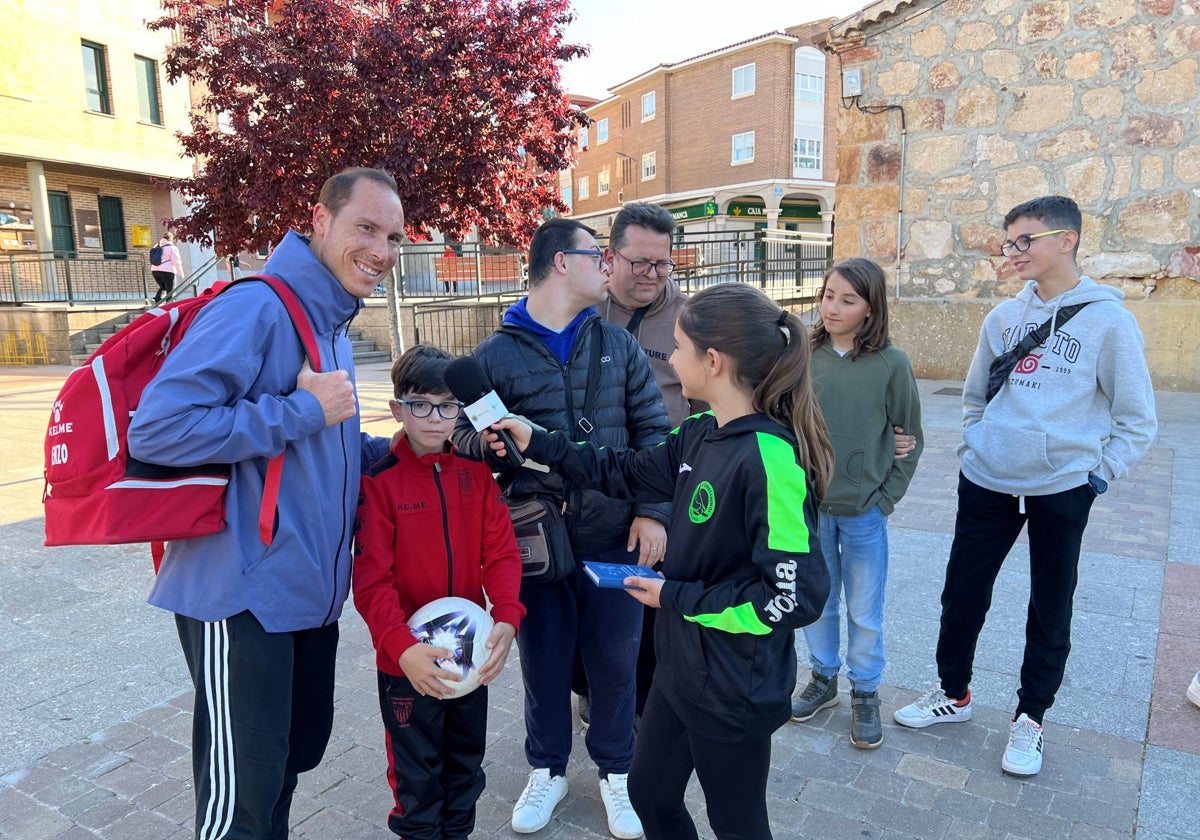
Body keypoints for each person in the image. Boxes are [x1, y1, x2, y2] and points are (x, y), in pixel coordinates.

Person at [488, 282, 834, 840]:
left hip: (734, 685)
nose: (670, 359)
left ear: (713, 361)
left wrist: (673, 597)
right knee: (650, 798)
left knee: (737, 823)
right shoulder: (699, 432)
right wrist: (542, 442)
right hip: (678, 670)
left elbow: (791, 598)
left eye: (678, 347)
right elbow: (622, 469)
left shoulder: (771, 458)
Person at [127, 166, 404, 839]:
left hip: (305, 596)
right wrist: (301, 410)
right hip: (240, 595)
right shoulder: (258, 306)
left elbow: (318, 447)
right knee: (240, 803)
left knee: (285, 766)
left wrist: (412, 449)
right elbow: (158, 429)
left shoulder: (329, 317)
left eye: (393, 236)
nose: (382, 250)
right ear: (318, 220)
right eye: (365, 227)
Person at [893, 195, 1158, 777]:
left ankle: (1030, 718)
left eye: (1024, 241)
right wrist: (977, 442)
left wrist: (1097, 476)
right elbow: (975, 397)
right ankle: (953, 693)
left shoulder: (1108, 320)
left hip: (1062, 486)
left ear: (1066, 240)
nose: (1012, 252)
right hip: (987, 479)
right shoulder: (1003, 318)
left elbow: (1137, 417)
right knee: (962, 593)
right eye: (1009, 241)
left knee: (1050, 606)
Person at [452, 217, 670, 839]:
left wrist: (655, 512)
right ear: (559, 263)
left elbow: (653, 437)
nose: (610, 266)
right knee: (543, 665)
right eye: (596, 254)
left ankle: (616, 774)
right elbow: (465, 437)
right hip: (534, 544)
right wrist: (485, 448)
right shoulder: (494, 354)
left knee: (617, 663)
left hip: (616, 535)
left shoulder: (619, 345)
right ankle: (546, 769)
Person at [353, 344, 525, 840]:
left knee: (464, 769)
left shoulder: (475, 475)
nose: (434, 417)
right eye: (420, 404)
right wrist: (401, 648)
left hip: (469, 656)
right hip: (407, 666)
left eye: (447, 405)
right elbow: (370, 581)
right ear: (396, 409)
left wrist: (508, 617)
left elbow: (502, 554)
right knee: (416, 780)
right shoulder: (378, 482)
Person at [572, 202, 706, 730]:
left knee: (648, 610)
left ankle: (644, 709)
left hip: (663, 494)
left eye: (663, 264)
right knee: (592, 598)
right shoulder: (585, 307)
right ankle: (590, 692)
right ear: (611, 256)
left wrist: (671, 503)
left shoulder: (690, 319)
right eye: (640, 263)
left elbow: (706, 415)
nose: (653, 275)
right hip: (595, 488)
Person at [789, 258, 923, 750]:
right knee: (819, 602)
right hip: (811, 509)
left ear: (871, 308)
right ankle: (823, 678)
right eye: (828, 295)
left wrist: (886, 498)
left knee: (866, 610)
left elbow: (911, 435)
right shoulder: (803, 354)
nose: (833, 307)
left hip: (865, 513)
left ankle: (865, 690)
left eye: (848, 300)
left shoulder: (892, 364)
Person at [150, 234, 184, 304]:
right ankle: (170, 304)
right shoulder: (172, 248)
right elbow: (176, 261)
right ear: (171, 239)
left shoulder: (157, 246)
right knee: (170, 289)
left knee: (163, 287)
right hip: (167, 271)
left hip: (154, 270)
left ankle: (156, 299)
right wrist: (181, 273)